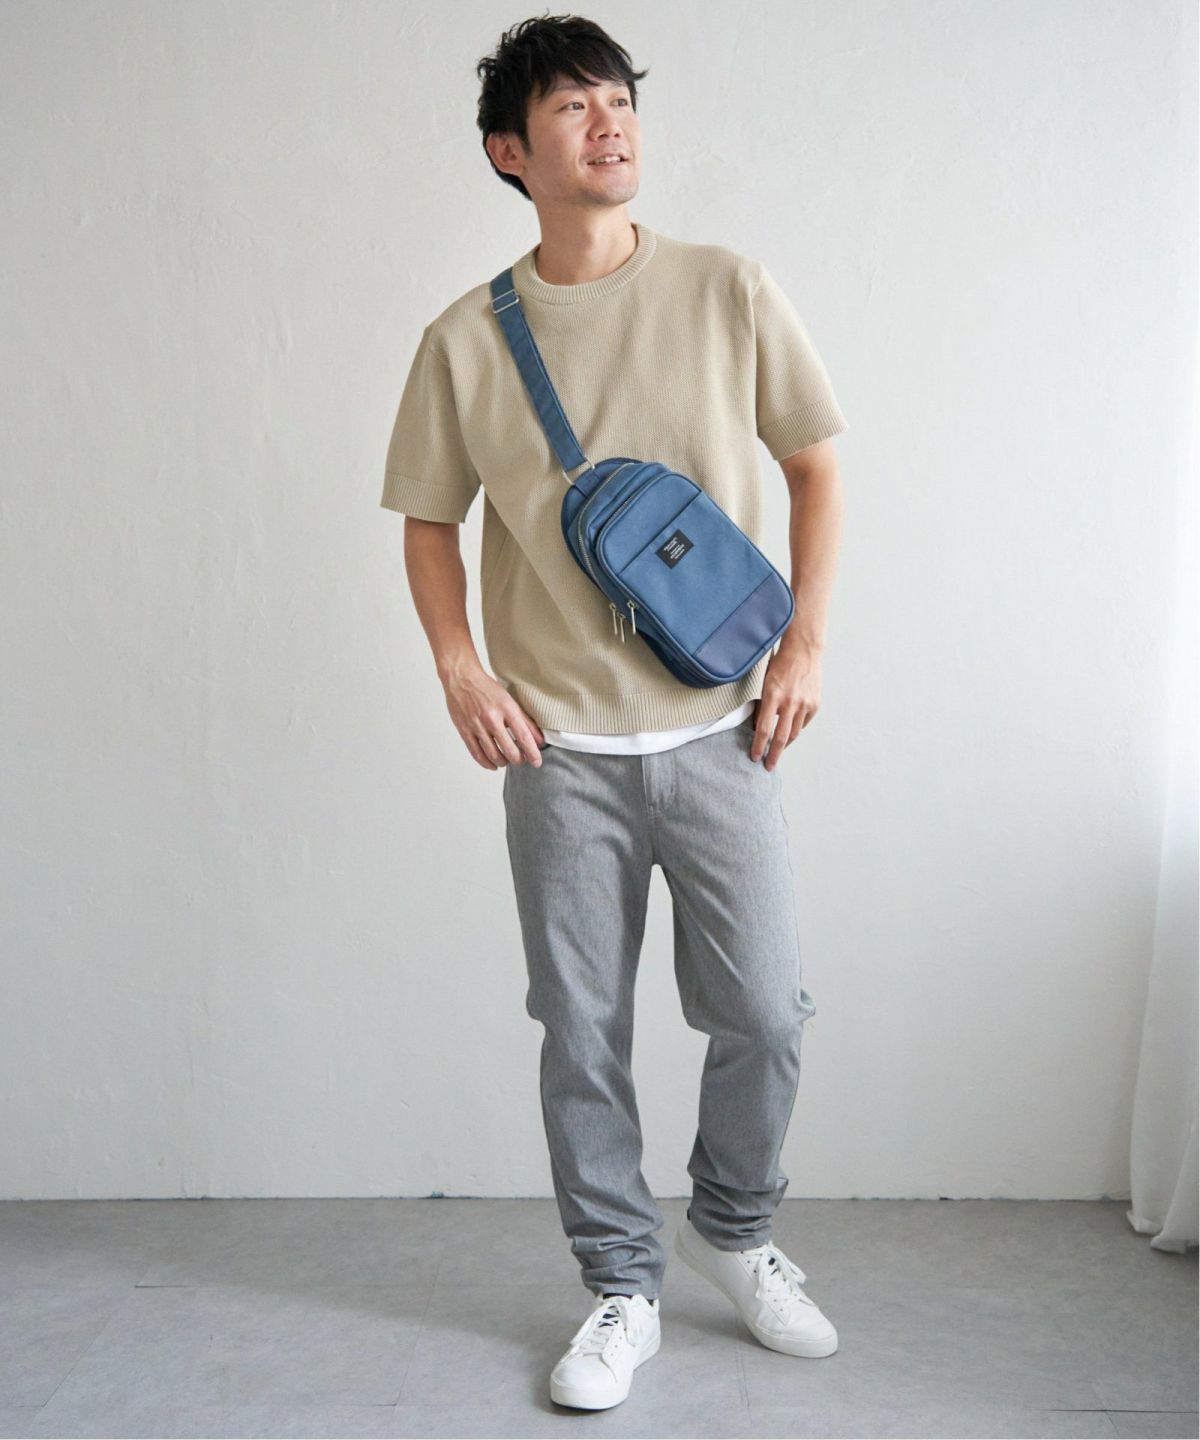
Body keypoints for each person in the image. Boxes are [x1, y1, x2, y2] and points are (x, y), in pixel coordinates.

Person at [380, 13, 848, 1412]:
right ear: (509, 152)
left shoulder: (726, 289)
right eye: (573, 108)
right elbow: (426, 522)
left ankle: (734, 1229)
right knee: (581, 1030)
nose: (610, 124)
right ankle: (621, 1285)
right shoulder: (465, 339)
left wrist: (806, 644)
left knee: (765, 1010)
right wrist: (460, 668)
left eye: (619, 100)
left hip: (722, 729)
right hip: (559, 750)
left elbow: (818, 465)